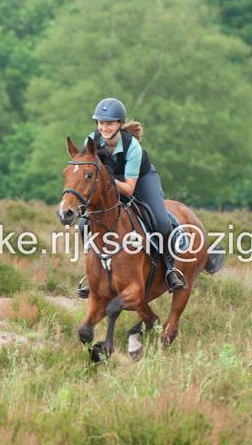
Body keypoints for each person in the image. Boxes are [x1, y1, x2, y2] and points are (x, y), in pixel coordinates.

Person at [76, 97, 187, 298]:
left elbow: (128, 189)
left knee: (160, 222)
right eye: (101, 123)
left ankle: (170, 269)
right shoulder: (91, 141)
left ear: (119, 124)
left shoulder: (132, 147)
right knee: (84, 224)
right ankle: (93, 273)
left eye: (109, 123)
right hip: (110, 182)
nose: (104, 128)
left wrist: (107, 180)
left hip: (139, 180)